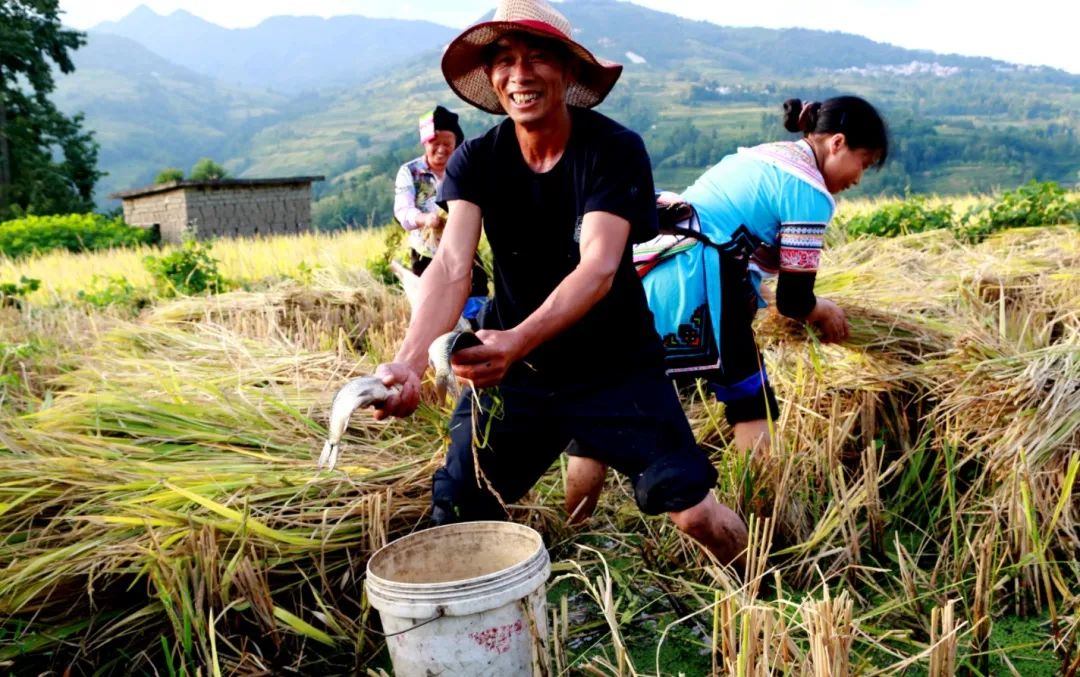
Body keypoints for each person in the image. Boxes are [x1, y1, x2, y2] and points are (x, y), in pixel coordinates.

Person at [373, 0, 747, 565]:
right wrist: (409, 362)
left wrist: (516, 339)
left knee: (691, 508)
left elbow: (597, 267)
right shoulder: (478, 159)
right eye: (504, 60)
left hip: (615, 367)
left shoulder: (613, 150)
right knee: (459, 510)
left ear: (570, 72)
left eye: (538, 57)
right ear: (492, 78)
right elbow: (452, 267)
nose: (520, 74)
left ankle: (760, 596)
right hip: (519, 379)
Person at [564, 95, 890, 521]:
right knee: (751, 399)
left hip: (646, 272)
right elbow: (794, 301)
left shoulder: (762, 157)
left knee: (609, 401)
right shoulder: (809, 190)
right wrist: (822, 310)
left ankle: (574, 527)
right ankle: (764, 517)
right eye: (864, 162)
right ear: (838, 143)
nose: (859, 178)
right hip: (703, 282)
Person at [393, 105, 489, 320]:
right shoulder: (411, 172)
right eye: (435, 144)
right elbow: (403, 210)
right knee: (432, 313)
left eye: (447, 144)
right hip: (425, 254)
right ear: (425, 143)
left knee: (476, 305)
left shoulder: (464, 170)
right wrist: (425, 219)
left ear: (456, 144)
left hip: (465, 252)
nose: (441, 149)